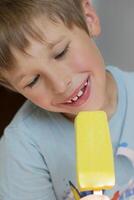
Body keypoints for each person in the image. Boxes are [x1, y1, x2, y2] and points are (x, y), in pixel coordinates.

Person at [0, 0, 134, 199]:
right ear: (14, 88)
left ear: (89, 19)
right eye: (33, 80)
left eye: (60, 53)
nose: (61, 85)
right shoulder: (23, 148)